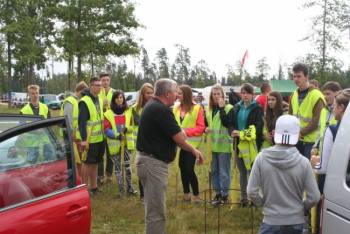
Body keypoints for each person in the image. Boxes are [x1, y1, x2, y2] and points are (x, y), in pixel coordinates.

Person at [135, 78, 204, 234]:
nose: (177, 95)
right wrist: (184, 132)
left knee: (153, 207)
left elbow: (176, 138)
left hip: (149, 162)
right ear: (167, 93)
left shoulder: (155, 106)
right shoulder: (161, 110)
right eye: (175, 92)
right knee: (156, 212)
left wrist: (193, 150)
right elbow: (179, 137)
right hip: (153, 164)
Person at [247, 115, 320, 234]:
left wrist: (264, 204)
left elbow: (252, 192)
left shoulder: (261, 158)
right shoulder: (303, 162)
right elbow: (314, 197)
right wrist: (300, 207)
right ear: (298, 137)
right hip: (295, 223)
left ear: (274, 133)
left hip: (271, 221)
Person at [227, 83, 264, 207]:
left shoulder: (257, 108)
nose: (245, 95)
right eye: (243, 92)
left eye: (247, 92)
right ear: (240, 94)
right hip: (238, 145)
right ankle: (243, 199)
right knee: (242, 173)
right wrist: (232, 131)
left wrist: (242, 133)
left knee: (252, 173)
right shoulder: (236, 107)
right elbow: (230, 123)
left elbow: (258, 127)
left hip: (251, 145)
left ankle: (254, 199)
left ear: (252, 94)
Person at [173, 85, 205, 205]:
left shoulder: (197, 109)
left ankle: (196, 196)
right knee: (182, 167)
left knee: (189, 169)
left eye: (180, 93)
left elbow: (200, 127)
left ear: (186, 95)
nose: (177, 95)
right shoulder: (176, 109)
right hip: (180, 144)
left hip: (192, 144)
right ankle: (187, 195)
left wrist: (185, 132)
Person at [288, 62, 325, 160]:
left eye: (299, 76)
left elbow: (316, 122)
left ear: (306, 76)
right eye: (294, 76)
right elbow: (290, 117)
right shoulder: (293, 95)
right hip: (296, 141)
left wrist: (298, 132)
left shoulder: (317, 96)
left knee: (309, 173)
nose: (296, 79)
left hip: (311, 143)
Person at [104, 90, 137, 196]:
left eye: (121, 97)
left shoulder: (129, 111)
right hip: (115, 146)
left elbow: (134, 127)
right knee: (118, 167)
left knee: (127, 167)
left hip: (127, 144)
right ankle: (121, 189)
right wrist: (117, 135)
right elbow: (106, 130)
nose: (119, 99)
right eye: (117, 98)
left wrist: (127, 129)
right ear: (114, 99)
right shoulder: (108, 114)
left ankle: (130, 187)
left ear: (124, 99)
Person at [204, 84, 233, 206]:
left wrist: (221, 108)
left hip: (224, 145)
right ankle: (218, 193)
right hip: (212, 145)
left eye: (218, 94)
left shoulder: (229, 108)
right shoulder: (208, 109)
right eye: (214, 94)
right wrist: (205, 128)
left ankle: (225, 195)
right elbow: (206, 123)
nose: (216, 96)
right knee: (214, 171)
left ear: (223, 95)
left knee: (224, 172)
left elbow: (226, 123)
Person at [78, 77, 105, 197]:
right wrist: (84, 139)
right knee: (88, 163)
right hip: (90, 139)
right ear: (90, 86)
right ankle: (84, 188)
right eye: (97, 85)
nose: (100, 87)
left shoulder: (98, 99)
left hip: (100, 138)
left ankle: (94, 187)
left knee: (96, 162)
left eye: (100, 85)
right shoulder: (85, 101)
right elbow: (82, 122)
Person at [131, 83, 154, 203]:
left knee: (153, 169)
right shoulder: (135, 108)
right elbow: (139, 123)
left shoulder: (156, 106)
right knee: (143, 169)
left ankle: (151, 194)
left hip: (154, 142)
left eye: (152, 93)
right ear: (142, 94)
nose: (150, 95)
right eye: (147, 93)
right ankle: (143, 195)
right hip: (142, 142)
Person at [60, 81, 88, 177]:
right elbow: (67, 119)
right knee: (70, 160)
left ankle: (78, 178)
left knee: (79, 159)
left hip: (77, 137)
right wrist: (71, 133)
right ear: (82, 90)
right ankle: (70, 180)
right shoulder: (70, 101)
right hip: (69, 136)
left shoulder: (78, 101)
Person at [20, 85, 54, 164]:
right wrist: (36, 131)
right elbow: (22, 128)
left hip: (45, 142)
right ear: (29, 95)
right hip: (32, 145)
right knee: (33, 167)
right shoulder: (24, 111)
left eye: (37, 93)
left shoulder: (45, 107)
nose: (35, 95)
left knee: (49, 164)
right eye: (33, 93)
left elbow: (50, 123)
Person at [311, 81, 341, 157]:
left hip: (335, 155)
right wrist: (315, 146)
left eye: (328, 94)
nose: (325, 97)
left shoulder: (342, 112)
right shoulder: (323, 111)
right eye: (324, 94)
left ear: (337, 94)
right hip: (322, 155)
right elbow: (319, 132)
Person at [97, 72, 116, 186]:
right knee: (100, 153)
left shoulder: (113, 92)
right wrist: (101, 103)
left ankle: (109, 175)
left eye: (107, 80)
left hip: (110, 125)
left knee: (110, 152)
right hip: (100, 125)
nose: (105, 82)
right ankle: (99, 176)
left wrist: (108, 103)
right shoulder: (97, 92)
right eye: (103, 80)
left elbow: (118, 104)